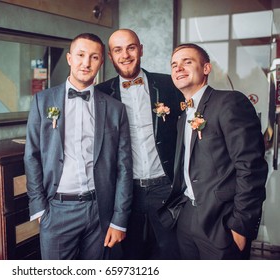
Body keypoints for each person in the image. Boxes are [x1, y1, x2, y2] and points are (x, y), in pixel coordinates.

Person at [24, 33, 133, 260]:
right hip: (57, 210)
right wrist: (39, 206)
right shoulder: (42, 101)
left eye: (94, 57)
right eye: (81, 55)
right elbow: (32, 155)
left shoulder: (115, 109)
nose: (86, 63)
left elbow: (124, 167)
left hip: (100, 210)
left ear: (102, 62)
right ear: (70, 58)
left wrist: (119, 220)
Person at [159, 43, 268, 259]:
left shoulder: (229, 102)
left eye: (187, 62)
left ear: (206, 68)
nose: (178, 68)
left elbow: (251, 167)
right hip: (187, 215)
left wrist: (241, 224)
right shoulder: (183, 117)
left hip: (222, 221)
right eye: (174, 65)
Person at [96, 29, 183, 260]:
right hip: (125, 192)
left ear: (141, 49)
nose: (125, 55)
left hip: (165, 186)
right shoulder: (101, 94)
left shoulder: (169, 84)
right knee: (130, 256)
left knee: (171, 254)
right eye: (118, 50)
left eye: (131, 47)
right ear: (111, 56)